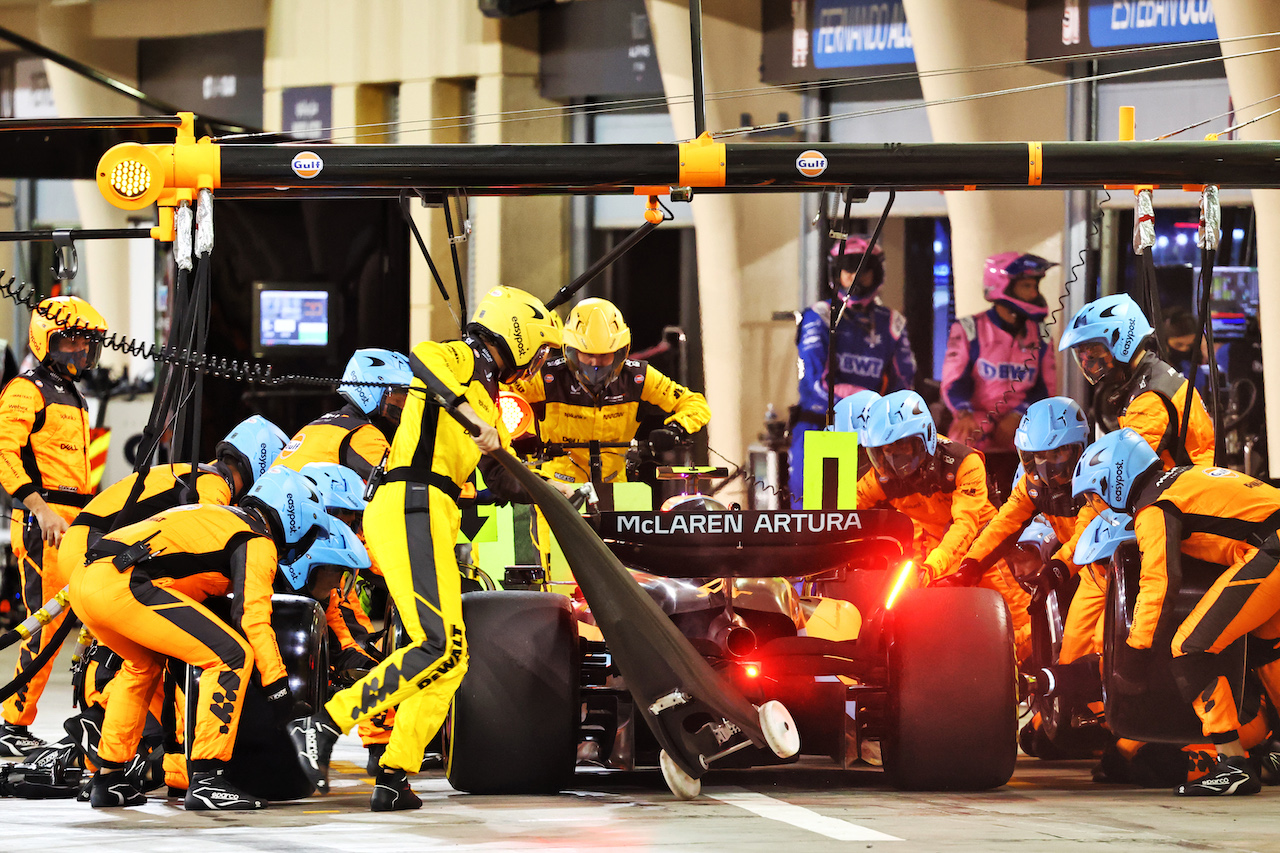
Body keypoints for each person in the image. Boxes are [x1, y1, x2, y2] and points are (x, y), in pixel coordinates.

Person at [289, 285, 561, 812]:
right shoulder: (461, 358)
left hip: (433, 513)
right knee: (435, 645)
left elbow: (501, 481)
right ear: (520, 333)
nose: (541, 362)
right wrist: (467, 412)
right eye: (542, 349)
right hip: (411, 502)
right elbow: (423, 360)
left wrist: (556, 492)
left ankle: (394, 774)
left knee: (450, 657)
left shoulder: (487, 399)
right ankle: (322, 724)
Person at [71, 467, 348, 810]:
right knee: (231, 656)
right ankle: (207, 779)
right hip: (125, 585)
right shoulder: (256, 538)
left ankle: (108, 777)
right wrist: (281, 694)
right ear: (295, 517)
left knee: (142, 665)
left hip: (87, 581)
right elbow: (252, 619)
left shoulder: (222, 516)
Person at [1072, 428, 1280, 796]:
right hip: (1271, 540)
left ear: (1115, 478)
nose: (1097, 503)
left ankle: (1233, 764)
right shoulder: (1181, 476)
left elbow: (1159, 582)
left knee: (1189, 648)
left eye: (1094, 492)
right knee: (1265, 653)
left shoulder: (1154, 504)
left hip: (1272, 549)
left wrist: (1135, 653)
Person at [511, 297, 708, 567]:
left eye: (604, 356)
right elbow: (499, 398)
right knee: (559, 571)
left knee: (628, 571)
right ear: (569, 350)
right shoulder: (546, 377)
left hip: (618, 491)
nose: (594, 364)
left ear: (620, 351)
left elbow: (694, 403)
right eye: (587, 354)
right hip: (558, 490)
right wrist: (519, 432)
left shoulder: (638, 377)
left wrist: (676, 428)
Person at [0, 295, 107, 757]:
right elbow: (4, 455)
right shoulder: (26, 390)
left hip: (76, 524)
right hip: (43, 525)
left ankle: (90, 719)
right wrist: (39, 508)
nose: (81, 351)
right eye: (71, 341)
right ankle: (13, 724)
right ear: (47, 340)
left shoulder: (73, 394)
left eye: (87, 343)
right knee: (45, 625)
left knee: (88, 621)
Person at [856, 390, 1032, 659]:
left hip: (981, 551)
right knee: (924, 628)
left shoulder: (966, 463)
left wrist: (931, 568)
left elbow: (965, 526)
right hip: (930, 551)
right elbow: (842, 509)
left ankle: (1028, 682)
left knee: (1017, 624)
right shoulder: (880, 478)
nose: (895, 461)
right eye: (885, 451)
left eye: (902, 447)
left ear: (924, 439)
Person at [953, 397, 1098, 661]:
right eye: (1037, 457)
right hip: (1071, 570)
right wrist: (970, 566)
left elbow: (1088, 536)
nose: (1045, 467)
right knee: (1070, 657)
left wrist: (1054, 569)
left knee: (1093, 649)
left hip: (1105, 569)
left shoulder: (1097, 477)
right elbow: (1003, 524)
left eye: (1057, 454)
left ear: (1079, 449)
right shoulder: (1030, 485)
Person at [790, 238, 914, 507]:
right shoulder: (820, 315)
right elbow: (815, 384)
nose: (855, 277)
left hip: (873, 435)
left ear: (876, 272)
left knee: (873, 517)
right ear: (837, 271)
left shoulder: (892, 321)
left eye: (863, 268)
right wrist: (868, 401)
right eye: (848, 268)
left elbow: (904, 385)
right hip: (822, 426)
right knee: (816, 514)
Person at [941, 252, 1057, 487]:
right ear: (1002, 285)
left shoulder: (1042, 335)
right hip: (974, 425)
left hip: (1020, 427)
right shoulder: (969, 328)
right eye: (1027, 286)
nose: (1034, 293)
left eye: (1035, 286)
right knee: (959, 447)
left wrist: (1019, 416)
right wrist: (964, 413)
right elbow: (953, 382)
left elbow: (1046, 388)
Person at [1059, 293, 1214, 468]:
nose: (1088, 361)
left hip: (1187, 490)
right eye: (1082, 355)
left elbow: (1125, 469)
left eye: (1093, 352)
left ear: (1122, 341)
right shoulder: (1152, 375)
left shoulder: (1149, 398)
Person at [274, 348, 413, 481]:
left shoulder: (320, 425)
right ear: (375, 390)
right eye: (399, 395)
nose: (405, 405)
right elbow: (400, 481)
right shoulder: (360, 433)